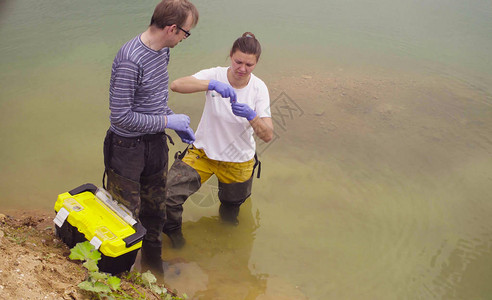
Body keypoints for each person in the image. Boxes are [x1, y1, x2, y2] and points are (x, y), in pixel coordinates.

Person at [102, 0, 199, 273]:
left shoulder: (162, 52)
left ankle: (155, 271)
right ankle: (119, 274)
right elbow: (120, 116)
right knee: (124, 216)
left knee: (156, 211)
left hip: (155, 143)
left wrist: (171, 120)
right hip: (126, 149)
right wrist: (169, 120)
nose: (184, 38)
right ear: (171, 28)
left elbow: (153, 100)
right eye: (185, 32)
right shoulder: (130, 59)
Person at [163, 32, 274, 248]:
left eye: (249, 65)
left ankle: (228, 245)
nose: (242, 68)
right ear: (230, 56)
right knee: (168, 196)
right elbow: (176, 85)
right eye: (238, 61)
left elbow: (268, 134)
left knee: (231, 210)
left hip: (238, 160)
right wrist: (210, 85)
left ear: (256, 63)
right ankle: (175, 235)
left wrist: (252, 116)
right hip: (202, 153)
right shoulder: (215, 74)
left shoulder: (259, 88)